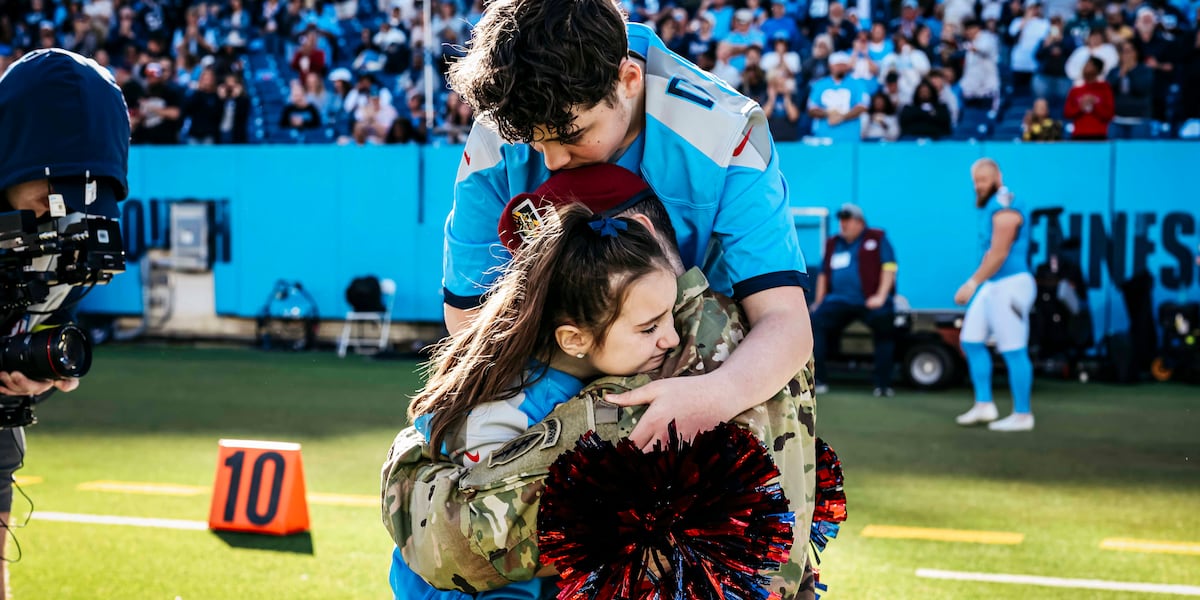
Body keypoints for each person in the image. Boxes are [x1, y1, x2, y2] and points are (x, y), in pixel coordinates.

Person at [384, 164, 817, 600]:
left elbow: (467, 543)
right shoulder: (762, 341)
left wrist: (404, 466)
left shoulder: (641, 379)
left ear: (637, 233)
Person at [442, 0, 812, 450]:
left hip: (697, 363)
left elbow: (784, 321)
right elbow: (468, 315)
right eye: (532, 142)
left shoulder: (726, 134)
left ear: (629, 80)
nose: (552, 161)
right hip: (548, 366)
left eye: (571, 135)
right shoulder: (505, 118)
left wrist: (717, 393)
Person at [390, 188, 681, 600]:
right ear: (574, 339)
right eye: (649, 327)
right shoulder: (506, 413)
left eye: (670, 315)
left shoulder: (565, 376)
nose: (671, 337)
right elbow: (487, 541)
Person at [0, 48, 131, 600]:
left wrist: (42, 372)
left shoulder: (73, 239)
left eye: (82, 199)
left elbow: (41, 335)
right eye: (50, 198)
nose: (63, 216)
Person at [954, 159, 1037, 432]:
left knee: (1013, 349)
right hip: (994, 284)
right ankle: (984, 404)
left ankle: (1023, 414)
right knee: (971, 340)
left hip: (1011, 282)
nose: (980, 185)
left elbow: (1000, 252)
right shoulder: (989, 205)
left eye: (985, 179)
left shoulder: (1004, 202)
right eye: (976, 180)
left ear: (998, 177)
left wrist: (972, 282)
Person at [810, 203, 899, 396]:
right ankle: (818, 379)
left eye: (848, 220)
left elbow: (889, 267)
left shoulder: (877, 238)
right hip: (839, 301)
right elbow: (824, 274)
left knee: (884, 324)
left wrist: (881, 296)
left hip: (869, 300)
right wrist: (818, 301)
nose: (843, 224)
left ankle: (882, 384)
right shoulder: (833, 243)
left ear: (860, 222)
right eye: (842, 220)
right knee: (816, 320)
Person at [1064, 56, 1114, 140]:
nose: (1085, 67)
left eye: (1089, 65)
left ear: (1097, 69)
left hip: (1099, 134)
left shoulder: (1104, 88)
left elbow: (1109, 114)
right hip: (1079, 134)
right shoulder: (1075, 89)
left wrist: (1095, 105)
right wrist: (1080, 107)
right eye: (1085, 65)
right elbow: (1067, 112)